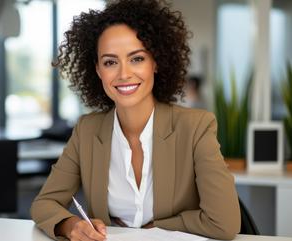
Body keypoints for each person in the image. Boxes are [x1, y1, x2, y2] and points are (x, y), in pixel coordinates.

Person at [31, 0, 240, 240]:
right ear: (98, 70)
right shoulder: (87, 130)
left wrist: (158, 226)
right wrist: (71, 225)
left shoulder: (195, 127)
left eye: (137, 58)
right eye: (110, 62)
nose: (124, 74)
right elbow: (44, 203)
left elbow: (225, 222)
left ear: (156, 62)